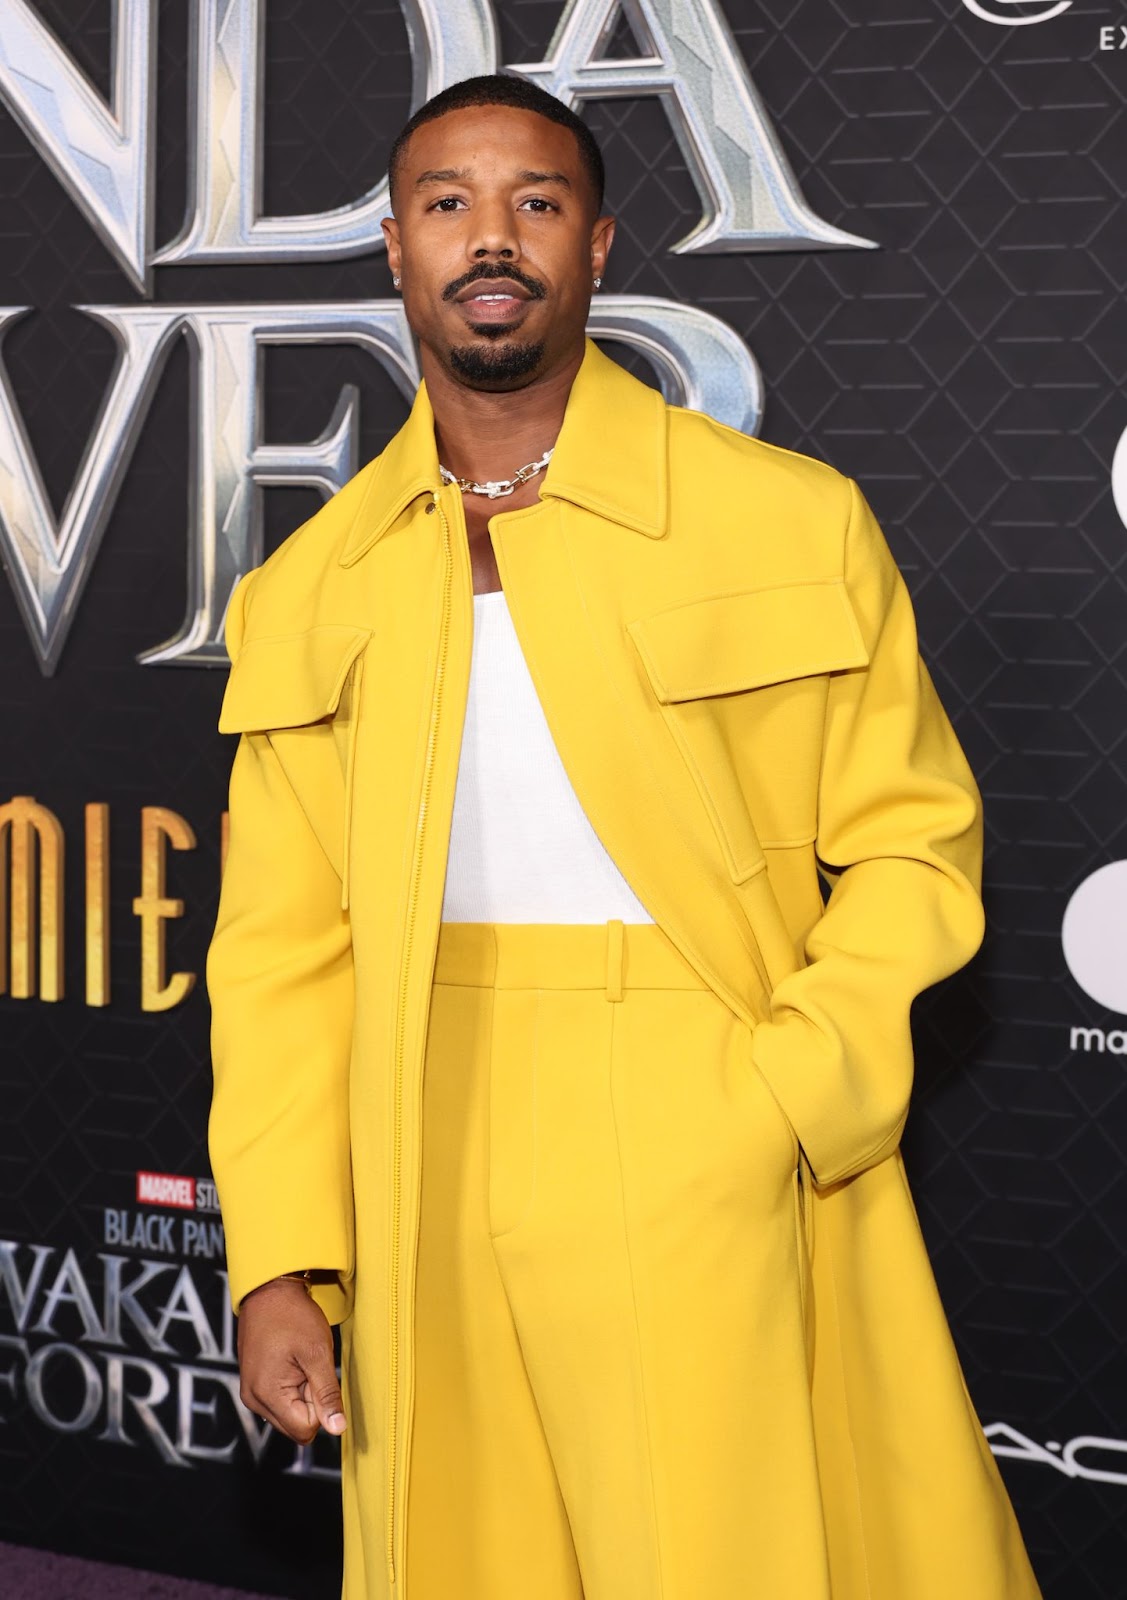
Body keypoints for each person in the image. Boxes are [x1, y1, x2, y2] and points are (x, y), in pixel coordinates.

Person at [206, 73, 1042, 1600]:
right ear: (394, 250)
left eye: (535, 201)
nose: (491, 239)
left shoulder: (787, 521)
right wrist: (278, 1251)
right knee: (465, 1560)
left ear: (600, 244)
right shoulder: (307, 588)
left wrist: (790, 1090)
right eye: (448, 203)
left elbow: (917, 846)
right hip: (417, 1132)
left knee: (725, 1556)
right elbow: (278, 956)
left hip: (703, 1103)